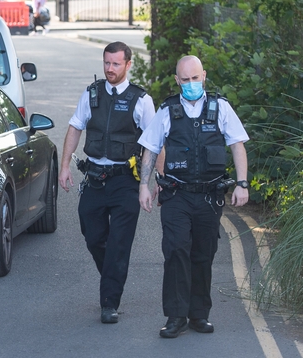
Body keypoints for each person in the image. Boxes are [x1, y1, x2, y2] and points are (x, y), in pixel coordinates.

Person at [138, 55, 250, 339]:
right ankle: (176, 316)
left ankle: (199, 314)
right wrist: (144, 185)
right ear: (177, 80)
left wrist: (242, 183)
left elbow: (237, 145)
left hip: (209, 198)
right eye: (184, 80)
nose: (190, 84)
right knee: (176, 251)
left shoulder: (220, 108)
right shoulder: (167, 110)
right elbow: (150, 148)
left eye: (195, 78)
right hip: (176, 195)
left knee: (203, 254)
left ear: (204, 76)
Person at [59, 41, 161, 324]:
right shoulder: (91, 94)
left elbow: (154, 143)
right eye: (106, 63)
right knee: (93, 236)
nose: (110, 69)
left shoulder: (141, 100)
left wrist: (156, 180)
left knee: (118, 243)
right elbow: (75, 126)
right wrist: (65, 165)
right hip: (94, 179)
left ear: (128, 65)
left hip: (126, 181)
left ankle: (109, 302)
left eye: (116, 64)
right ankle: (113, 276)